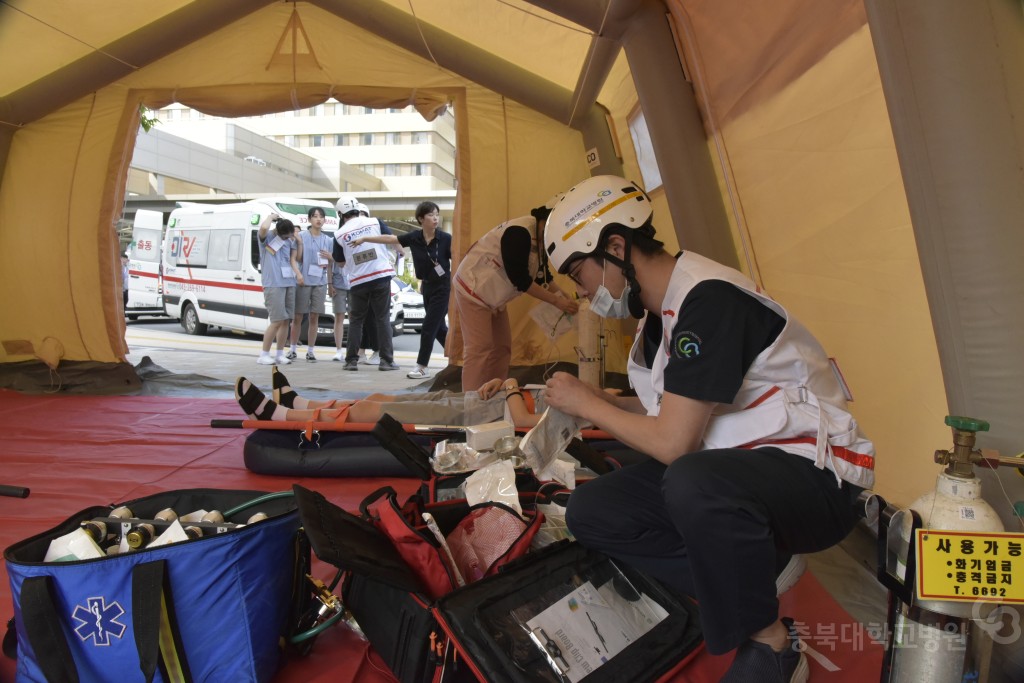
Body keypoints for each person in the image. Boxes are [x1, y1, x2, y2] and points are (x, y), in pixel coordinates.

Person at [540, 175, 875, 683]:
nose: (581, 290)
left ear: (614, 247)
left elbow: (674, 441)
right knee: (593, 510)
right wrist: (597, 405)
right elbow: (675, 407)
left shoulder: (708, 299)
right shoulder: (660, 316)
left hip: (816, 479)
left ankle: (774, 646)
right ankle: (754, 572)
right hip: (745, 467)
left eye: (577, 272)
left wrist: (590, 401)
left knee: (688, 477)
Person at [452, 197, 578, 392]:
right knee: (480, 349)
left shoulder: (541, 237)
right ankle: (470, 402)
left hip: (494, 296)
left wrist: (564, 295)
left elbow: (541, 275)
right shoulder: (519, 232)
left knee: (502, 348)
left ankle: (493, 394)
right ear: (546, 220)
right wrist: (557, 302)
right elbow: (520, 280)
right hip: (473, 289)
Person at [234, 368, 540, 427]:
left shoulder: (579, 414)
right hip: (480, 402)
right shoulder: (577, 397)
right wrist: (504, 384)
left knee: (370, 411)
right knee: (379, 397)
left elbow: (526, 420)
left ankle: (281, 417)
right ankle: (299, 404)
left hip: (477, 419)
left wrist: (511, 384)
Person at [353, 201, 451, 379]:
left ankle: (422, 366)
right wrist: (365, 239)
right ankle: (460, 360)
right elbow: (390, 239)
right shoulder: (415, 237)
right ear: (421, 219)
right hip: (427, 286)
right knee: (439, 329)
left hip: (443, 286)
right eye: (430, 215)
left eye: (437, 214)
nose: (435, 218)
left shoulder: (445, 239)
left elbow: (459, 258)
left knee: (429, 327)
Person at [332, 195, 399, 371]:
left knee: (356, 321)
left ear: (341, 214)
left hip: (358, 281)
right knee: (382, 318)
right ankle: (386, 361)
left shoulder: (339, 234)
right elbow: (391, 239)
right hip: (381, 275)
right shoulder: (375, 222)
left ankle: (351, 361)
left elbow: (339, 262)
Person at [286, 207, 333, 362]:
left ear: (324, 220)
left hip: (320, 282)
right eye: (315, 216)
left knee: (314, 317)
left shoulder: (328, 240)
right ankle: (292, 349)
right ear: (309, 219)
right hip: (303, 281)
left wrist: (330, 258)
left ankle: (311, 351)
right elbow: (296, 259)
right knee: (298, 316)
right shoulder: (301, 237)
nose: (318, 219)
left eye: (321, 217)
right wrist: (299, 244)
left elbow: (331, 263)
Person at [255, 214, 300, 365]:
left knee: (286, 319)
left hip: (289, 282)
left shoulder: (289, 240)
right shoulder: (266, 237)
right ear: (278, 232)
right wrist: (271, 217)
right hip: (273, 283)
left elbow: (295, 258)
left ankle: (280, 354)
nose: (287, 238)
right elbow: (263, 227)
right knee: (276, 320)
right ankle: (264, 355)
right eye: (285, 236)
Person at [328, 249, 351, 362]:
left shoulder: (356, 242)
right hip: (338, 283)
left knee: (354, 319)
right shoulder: (334, 244)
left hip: (353, 283)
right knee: (339, 317)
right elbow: (329, 265)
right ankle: (338, 351)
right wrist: (330, 284)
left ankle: (352, 351)